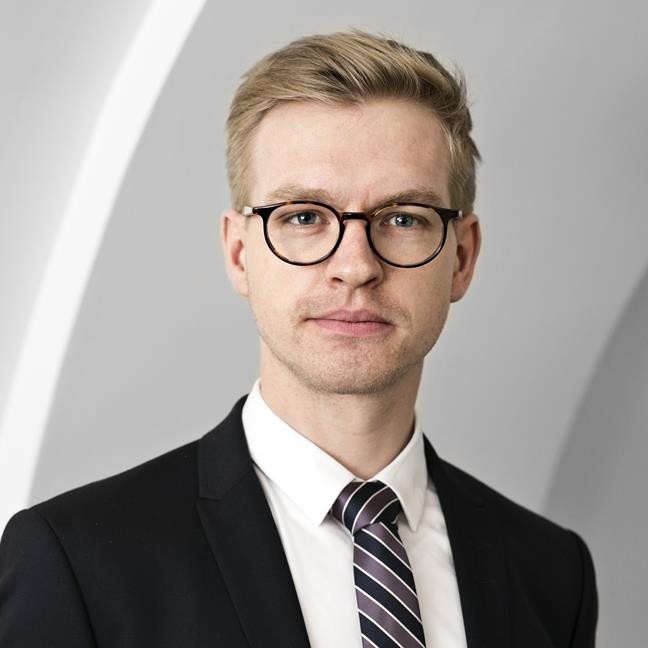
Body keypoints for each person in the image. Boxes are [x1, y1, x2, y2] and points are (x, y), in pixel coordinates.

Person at [0, 30, 597, 647]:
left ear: (462, 257)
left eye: (403, 219)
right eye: (305, 217)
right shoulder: (78, 563)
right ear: (239, 253)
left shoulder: (553, 574)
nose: (356, 266)